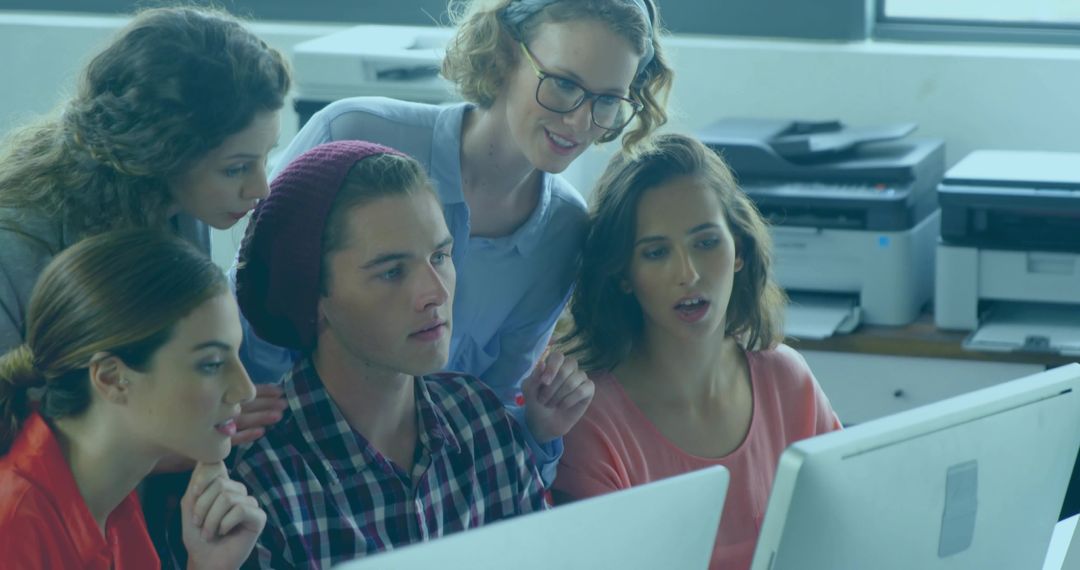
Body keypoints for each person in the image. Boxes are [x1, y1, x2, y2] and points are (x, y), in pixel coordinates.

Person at [238, 0, 674, 481]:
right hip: (288, 462)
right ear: (507, 53)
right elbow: (256, 313)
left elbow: (496, 404)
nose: (579, 122)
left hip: (433, 489)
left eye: (608, 100)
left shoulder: (564, 230)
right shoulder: (352, 132)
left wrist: (539, 429)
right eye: (565, 84)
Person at [231, 140, 587, 567]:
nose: (436, 293)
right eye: (392, 271)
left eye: (441, 255)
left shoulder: (481, 423)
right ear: (314, 296)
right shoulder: (261, 477)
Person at [0, 5, 292, 446]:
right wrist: (167, 443)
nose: (261, 188)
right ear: (161, 155)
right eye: (235, 169)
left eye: (265, 158)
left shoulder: (174, 202)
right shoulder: (15, 243)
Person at [552, 134, 843, 570]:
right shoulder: (589, 418)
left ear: (739, 250)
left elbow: (844, 530)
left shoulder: (787, 379)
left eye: (706, 242)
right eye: (655, 253)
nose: (687, 273)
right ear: (623, 275)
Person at [0, 230, 265, 570]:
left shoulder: (113, 492)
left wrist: (208, 565)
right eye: (211, 364)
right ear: (111, 378)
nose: (246, 389)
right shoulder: (14, 527)